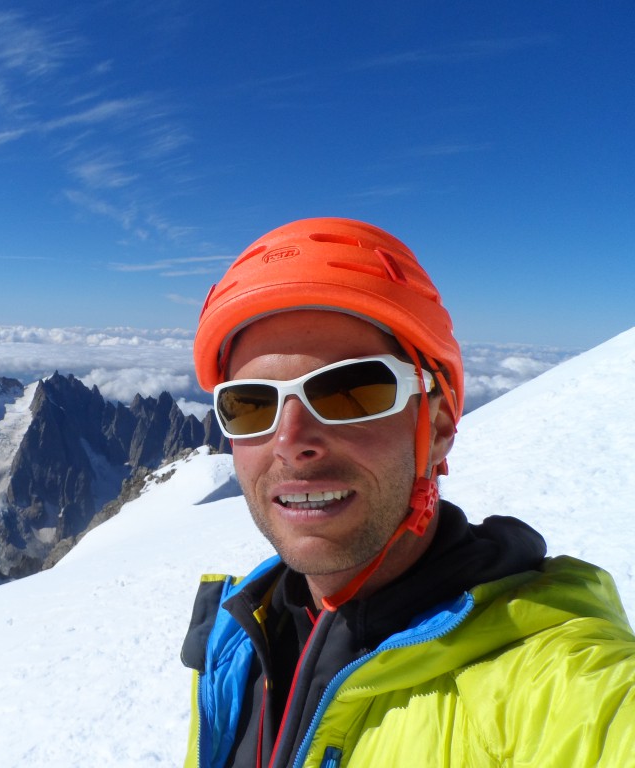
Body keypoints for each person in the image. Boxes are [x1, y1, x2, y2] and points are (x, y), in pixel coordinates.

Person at [181, 217, 635, 767]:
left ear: (438, 428)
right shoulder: (237, 646)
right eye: (250, 404)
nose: (290, 441)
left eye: (351, 392)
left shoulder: (541, 680)